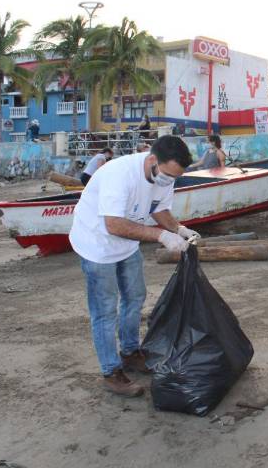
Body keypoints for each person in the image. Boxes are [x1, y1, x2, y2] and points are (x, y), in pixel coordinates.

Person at [69, 135, 196, 397]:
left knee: (135, 296)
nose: (168, 181)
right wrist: (161, 236)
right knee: (105, 311)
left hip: (127, 243)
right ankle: (111, 372)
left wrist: (179, 229)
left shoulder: (164, 175)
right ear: (151, 160)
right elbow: (113, 225)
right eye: (166, 175)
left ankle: (129, 352)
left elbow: (158, 209)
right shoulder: (119, 174)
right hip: (97, 244)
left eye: (174, 177)